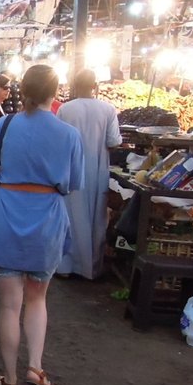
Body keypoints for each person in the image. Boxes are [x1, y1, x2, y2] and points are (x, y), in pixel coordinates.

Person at [0, 64, 84, 385]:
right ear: (54, 91)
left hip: (7, 215)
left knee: (9, 304)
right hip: (46, 221)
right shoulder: (69, 134)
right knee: (37, 299)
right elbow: (74, 183)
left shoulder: (5, 125)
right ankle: (35, 366)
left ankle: (9, 380)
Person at [56, 69, 122, 279]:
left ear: (75, 86)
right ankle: (90, 269)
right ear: (95, 86)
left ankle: (66, 267)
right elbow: (114, 141)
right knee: (96, 218)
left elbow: (59, 139)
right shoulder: (107, 109)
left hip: (70, 170)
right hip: (97, 171)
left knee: (70, 217)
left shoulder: (66, 109)